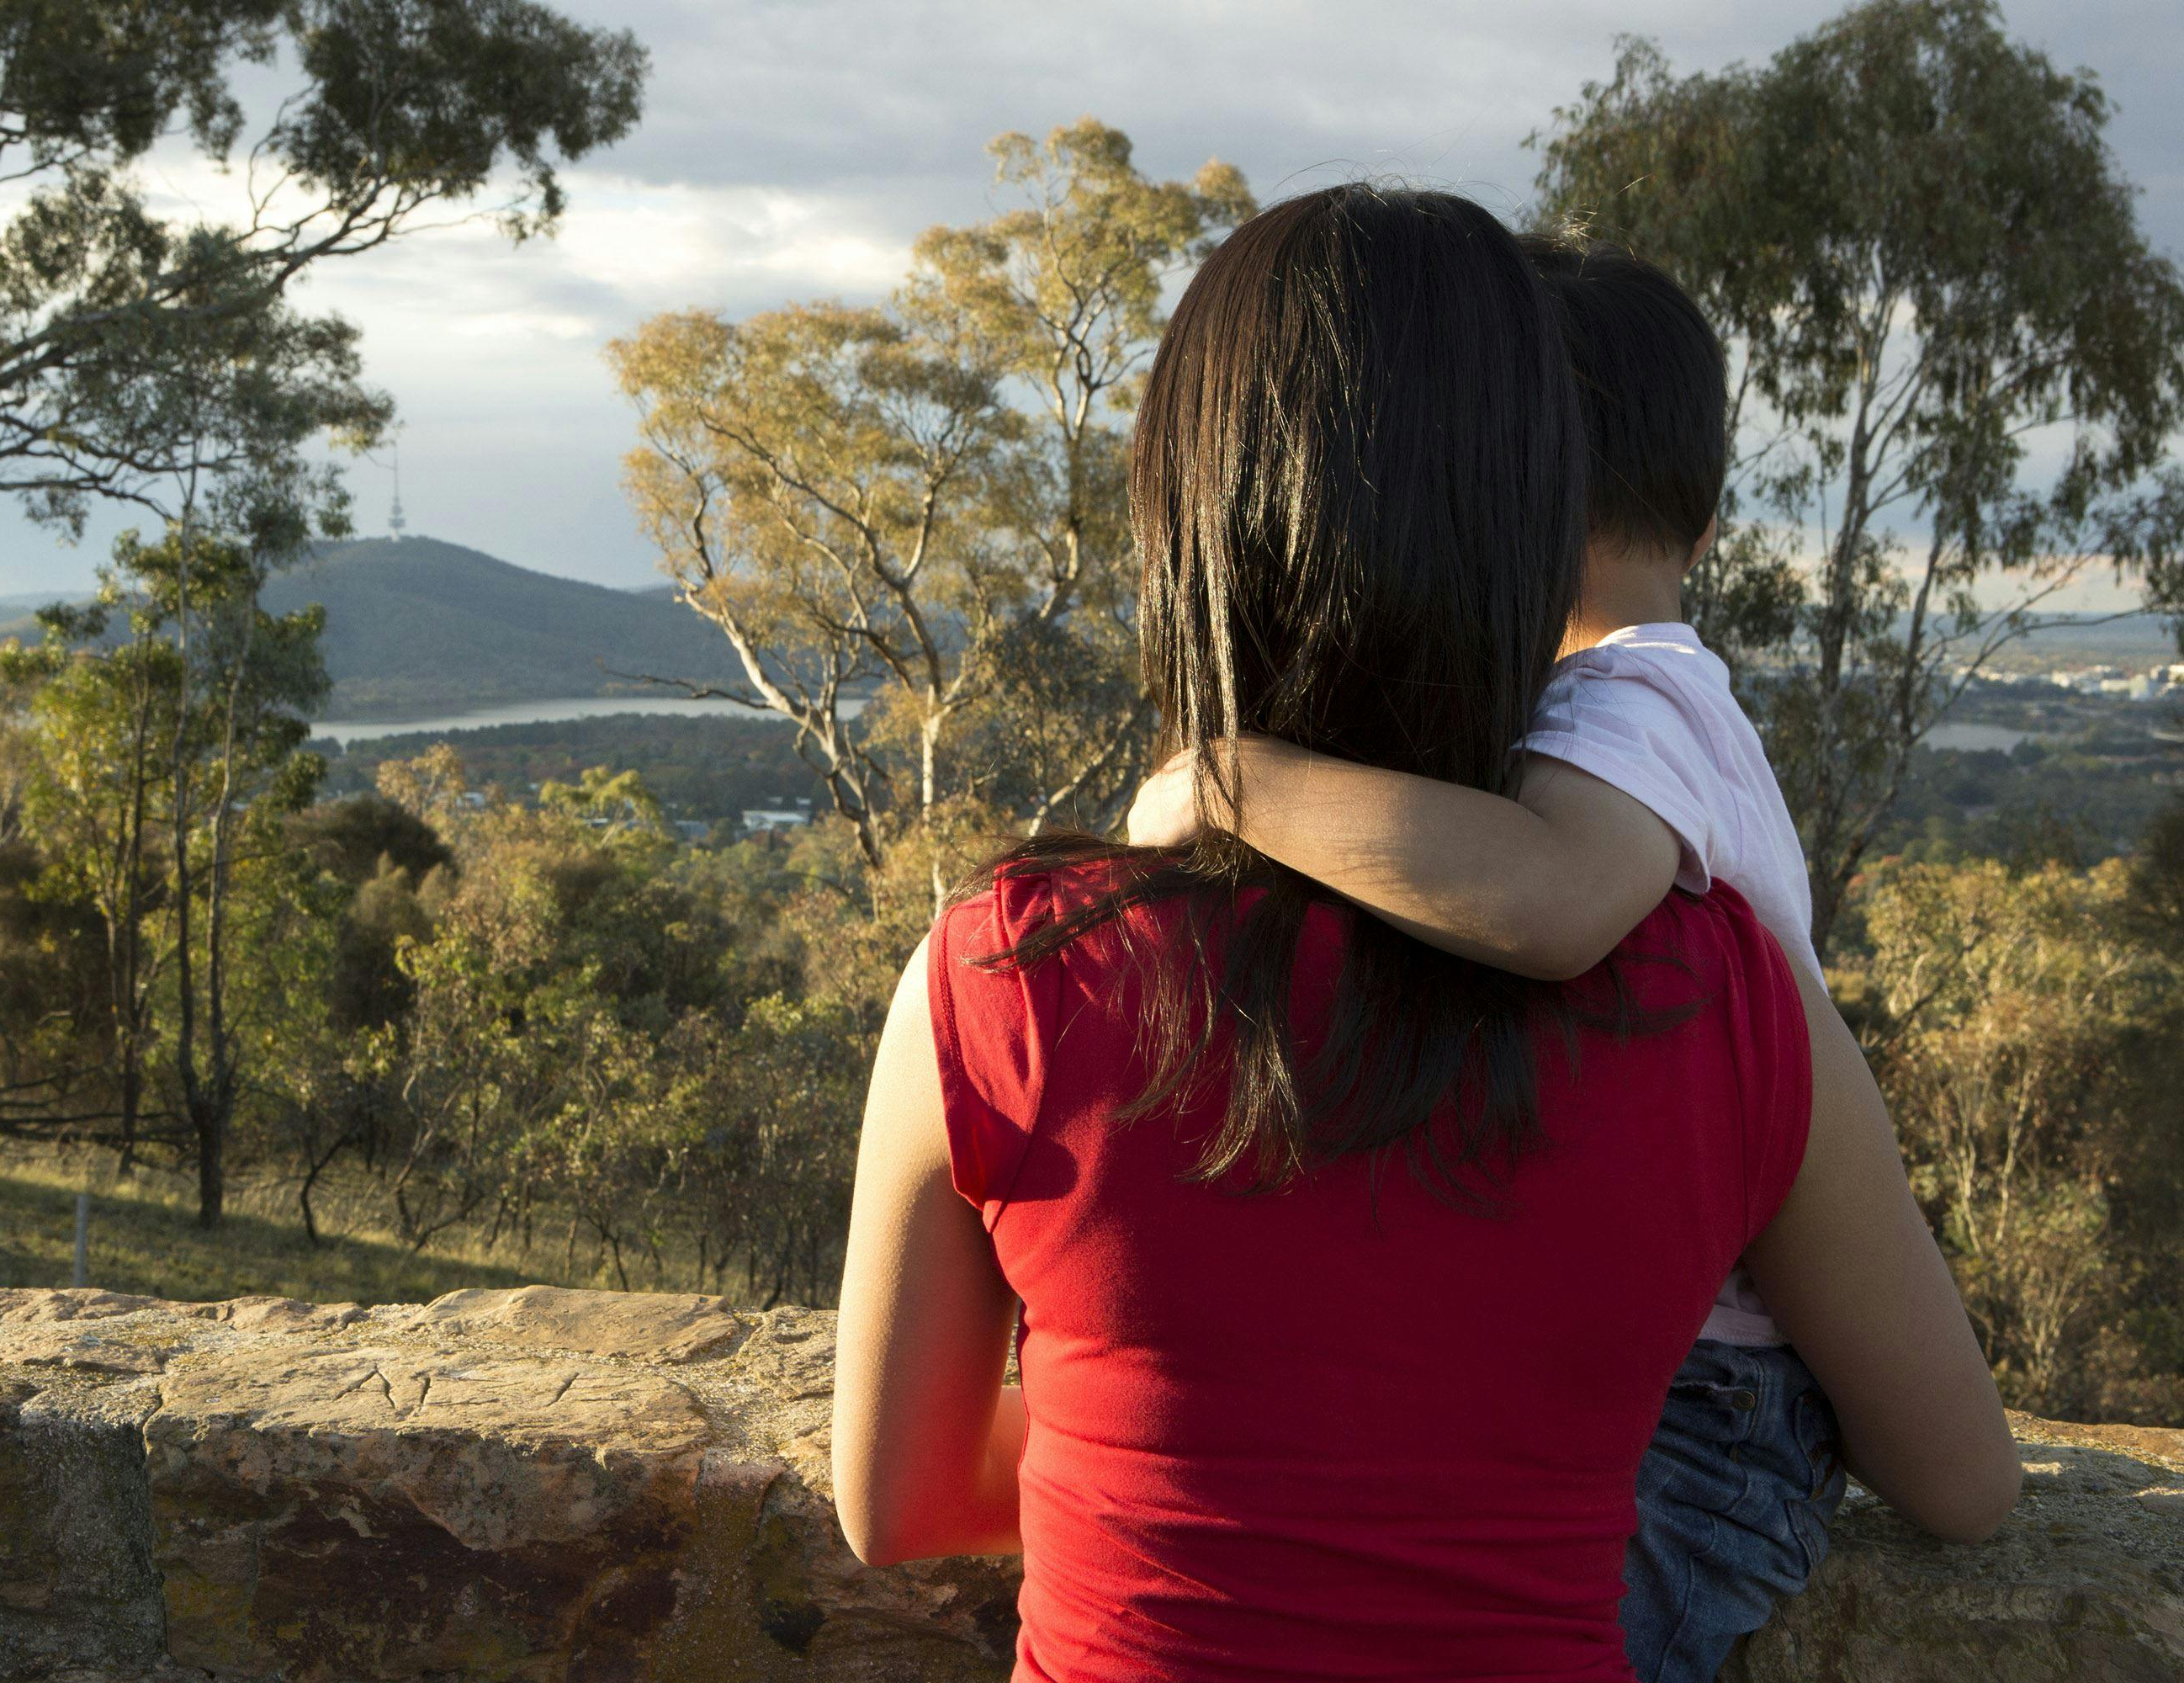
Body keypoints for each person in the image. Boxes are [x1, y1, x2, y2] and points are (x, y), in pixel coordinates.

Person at [830, 186, 2017, 1683]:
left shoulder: (1003, 978)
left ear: (1186, 516)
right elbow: (1965, 1482)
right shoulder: (1726, 998)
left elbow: (901, 1501)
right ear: (1541, 519)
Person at [1121, 236, 1840, 1680]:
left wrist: (1227, 778)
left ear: (1507, 482)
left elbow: (1552, 901)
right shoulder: (1654, 703)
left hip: (1708, 1396)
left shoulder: (1634, 699)